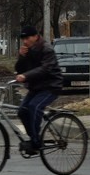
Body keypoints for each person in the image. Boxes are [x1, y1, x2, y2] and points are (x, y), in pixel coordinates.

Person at [14, 25, 64, 155]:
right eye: (23, 39)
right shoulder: (28, 50)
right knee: (22, 111)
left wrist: (26, 76)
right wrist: (21, 56)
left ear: (36, 37)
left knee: (34, 107)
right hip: (36, 87)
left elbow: (45, 69)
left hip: (51, 86)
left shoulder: (46, 49)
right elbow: (20, 69)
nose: (25, 41)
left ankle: (36, 142)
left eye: (27, 38)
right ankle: (34, 138)